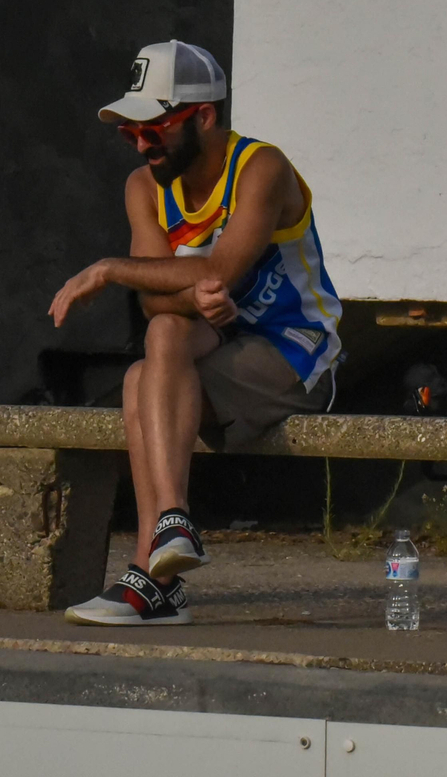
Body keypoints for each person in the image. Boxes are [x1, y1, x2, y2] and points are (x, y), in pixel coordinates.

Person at [49, 40, 343, 626]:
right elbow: (161, 295)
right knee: (158, 342)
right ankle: (173, 524)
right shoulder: (143, 187)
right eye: (130, 133)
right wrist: (188, 293)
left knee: (141, 379)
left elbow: (214, 272)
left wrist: (111, 269)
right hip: (213, 343)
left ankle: (151, 582)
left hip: (295, 351)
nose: (139, 144)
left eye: (153, 130)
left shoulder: (263, 167)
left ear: (203, 116)